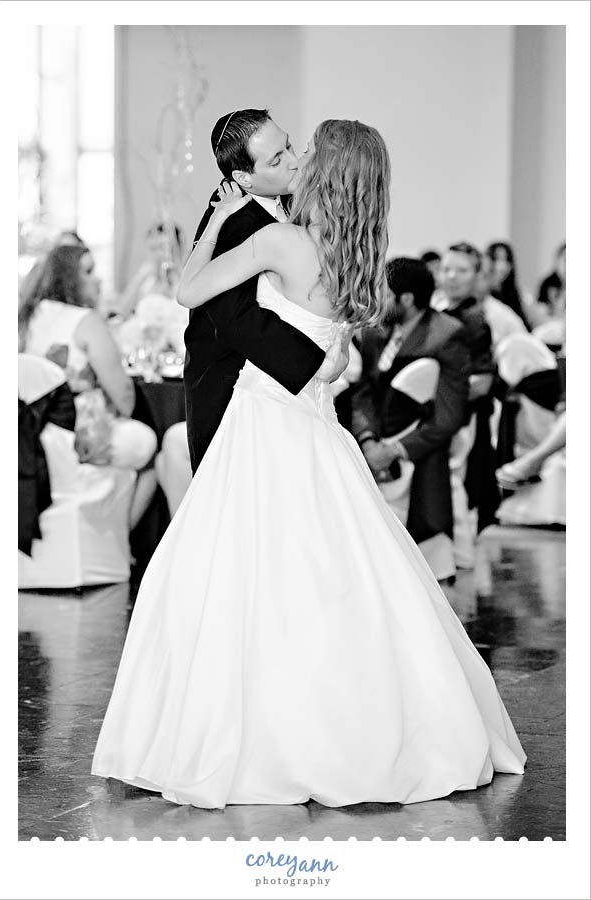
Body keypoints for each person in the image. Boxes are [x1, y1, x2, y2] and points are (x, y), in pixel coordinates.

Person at [92, 119, 525, 809]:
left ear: (325, 169)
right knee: (340, 569)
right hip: (317, 427)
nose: (298, 157)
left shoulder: (279, 239)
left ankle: (258, 736)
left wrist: (219, 221)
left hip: (264, 421)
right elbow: (338, 357)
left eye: (308, 151)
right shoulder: (358, 252)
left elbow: (189, 291)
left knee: (238, 572)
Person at [181, 108, 348, 473]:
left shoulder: (297, 197)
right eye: (277, 159)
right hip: (229, 383)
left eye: (289, 146)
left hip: (286, 388)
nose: (293, 163)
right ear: (244, 177)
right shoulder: (231, 216)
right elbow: (235, 317)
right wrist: (315, 361)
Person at [20, 245, 157, 530]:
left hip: (28, 438)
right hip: (79, 438)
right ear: (68, 277)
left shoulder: (27, 319)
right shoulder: (85, 321)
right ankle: (121, 544)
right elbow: (125, 398)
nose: (98, 279)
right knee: (148, 444)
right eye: (88, 271)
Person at [352, 257, 470, 582]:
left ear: (406, 298)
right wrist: (367, 439)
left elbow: (449, 415)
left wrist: (395, 449)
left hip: (419, 449)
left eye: (384, 292)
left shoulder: (446, 335)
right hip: (373, 443)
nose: (377, 300)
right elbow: (364, 392)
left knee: (419, 564)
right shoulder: (377, 333)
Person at [114, 221, 184, 318]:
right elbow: (121, 310)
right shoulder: (146, 280)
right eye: (152, 249)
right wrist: (141, 276)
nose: (157, 255)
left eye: (161, 248)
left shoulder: (183, 279)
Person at [484, 241, 529, 326]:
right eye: (496, 259)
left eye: (507, 260)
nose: (501, 266)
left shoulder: (518, 294)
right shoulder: (483, 296)